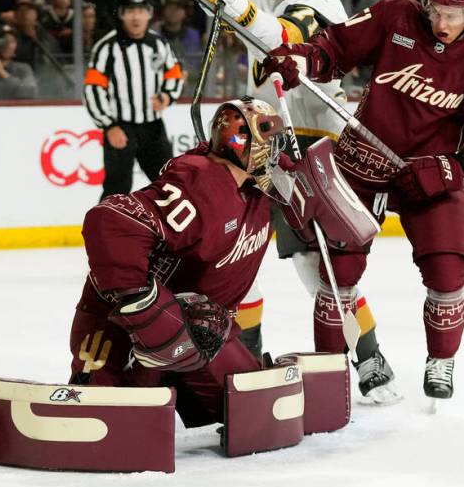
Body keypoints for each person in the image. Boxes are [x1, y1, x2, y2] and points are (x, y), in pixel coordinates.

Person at [259, 0, 464, 402]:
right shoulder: (396, 16)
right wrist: (300, 58)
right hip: (360, 165)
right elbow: (335, 47)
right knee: (336, 272)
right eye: (436, 9)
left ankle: (441, 359)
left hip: (429, 176)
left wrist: (454, 167)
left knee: (447, 271)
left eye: (453, 14)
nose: (441, 21)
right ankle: (329, 371)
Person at [199, 0, 398, 404]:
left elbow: (285, 39)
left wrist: (239, 8)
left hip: (310, 147)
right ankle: (243, 359)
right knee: (238, 252)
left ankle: (368, 352)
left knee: (318, 267)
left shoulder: (324, 11)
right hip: (266, 145)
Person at [68, 97, 343, 427]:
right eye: (268, 142)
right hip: (121, 326)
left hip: (198, 331)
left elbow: (320, 198)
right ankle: (131, 388)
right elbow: (109, 221)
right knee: (111, 420)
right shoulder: (200, 185)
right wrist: (145, 306)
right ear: (243, 143)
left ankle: (172, 381)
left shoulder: (260, 179)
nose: (275, 154)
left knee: (255, 411)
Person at [83, 0, 183, 200]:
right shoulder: (107, 47)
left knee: (170, 184)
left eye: (140, 10)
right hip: (121, 127)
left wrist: (167, 96)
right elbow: (93, 88)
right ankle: (106, 231)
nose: (136, 17)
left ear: (149, 13)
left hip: (153, 127)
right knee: (117, 188)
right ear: (121, 14)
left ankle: (172, 232)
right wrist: (109, 125)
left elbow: (174, 73)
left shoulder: (158, 43)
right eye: (130, 11)